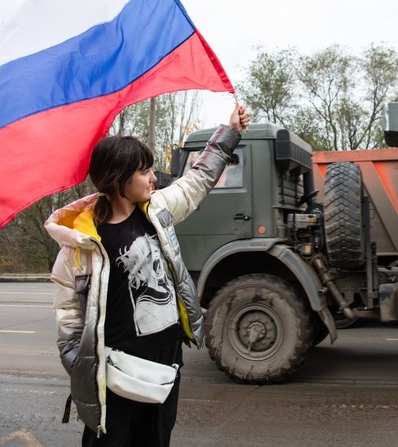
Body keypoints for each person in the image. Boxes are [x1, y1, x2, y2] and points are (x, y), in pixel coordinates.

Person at [46, 103, 250, 446]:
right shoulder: (80, 245)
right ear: (118, 179)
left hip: (165, 369)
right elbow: (68, 318)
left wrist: (230, 132)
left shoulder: (156, 210)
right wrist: (83, 368)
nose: (154, 178)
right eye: (145, 171)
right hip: (116, 379)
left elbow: (198, 179)